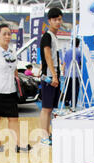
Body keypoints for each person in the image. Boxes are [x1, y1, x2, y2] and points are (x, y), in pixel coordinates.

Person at [0, 24, 31, 153]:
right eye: (4, 34)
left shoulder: (12, 52)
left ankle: (19, 144)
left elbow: (14, 69)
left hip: (10, 91)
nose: (7, 36)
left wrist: (17, 83)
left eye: (9, 34)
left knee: (14, 118)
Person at [39, 7, 62, 146]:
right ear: (49, 21)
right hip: (49, 76)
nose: (58, 22)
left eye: (59, 19)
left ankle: (47, 133)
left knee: (50, 108)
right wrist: (53, 76)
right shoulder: (47, 36)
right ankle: (43, 135)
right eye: (55, 19)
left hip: (54, 75)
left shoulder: (54, 37)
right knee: (46, 108)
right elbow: (47, 56)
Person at [63, 37, 82, 108]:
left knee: (68, 89)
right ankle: (73, 104)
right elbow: (81, 63)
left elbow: (64, 63)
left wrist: (63, 71)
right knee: (75, 90)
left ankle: (66, 101)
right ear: (78, 44)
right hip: (76, 74)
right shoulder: (79, 52)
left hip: (68, 74)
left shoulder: (67, 51)